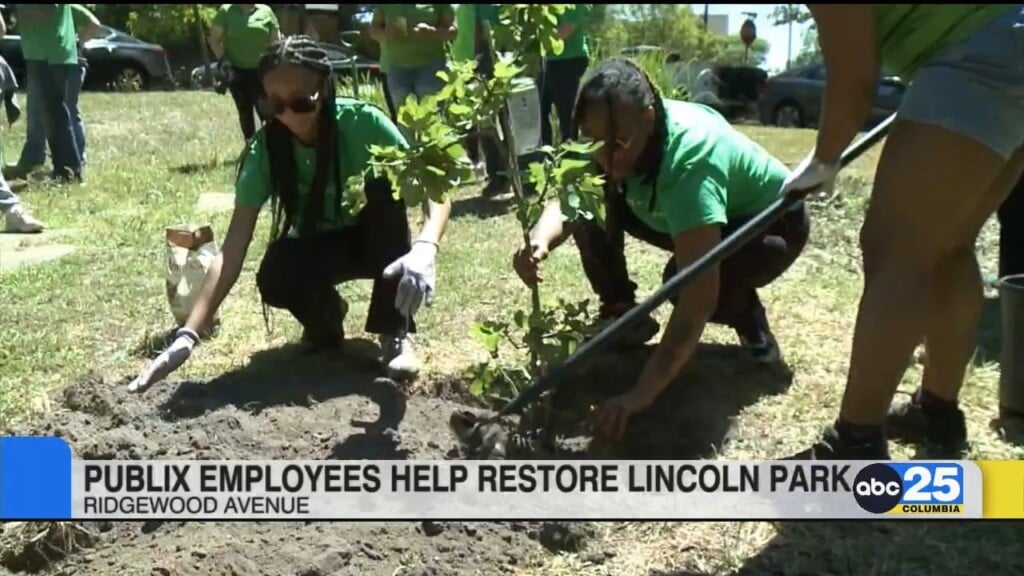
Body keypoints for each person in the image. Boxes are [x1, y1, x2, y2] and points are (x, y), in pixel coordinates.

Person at [128, 36, 453, 393]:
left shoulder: (364, 125)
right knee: (276, 274)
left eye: (300, 103)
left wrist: (426, 246)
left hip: (376, 242)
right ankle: (325, 321)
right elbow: (233, 249)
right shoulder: (264, 151)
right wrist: (188, 334)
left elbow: (435, 189)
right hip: (319, 245)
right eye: (274, 105)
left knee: (384, 195)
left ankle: (394, 333)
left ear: (324, 88)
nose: (287, 117)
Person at [512, 58, 811, 441]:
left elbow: (696, 304)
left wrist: (638, 396)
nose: (606, 157)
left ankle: (752, 326)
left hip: (767, 226)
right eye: (593, 142)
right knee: (592, 205)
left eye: (618, 145)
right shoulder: (613, 132)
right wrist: (540, 239)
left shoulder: (690, 161)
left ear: (649, 118)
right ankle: (623, 312)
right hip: (688, 214)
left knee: (682, 283)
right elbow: (574, 196)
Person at [786, 5, 1024, 459]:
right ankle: (936, 411)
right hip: (1008, 41)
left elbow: (855, 82)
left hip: (983, 55)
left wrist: (824, 158)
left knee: (896, 248)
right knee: (948, 242)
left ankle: (854, 446)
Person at [13, 3, 99, 178]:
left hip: (49, 54)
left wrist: (19, 15)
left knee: (56, 114)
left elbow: (47, 12)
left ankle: (69, 171)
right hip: (43, 54)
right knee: (49, 113)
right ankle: (58, 166)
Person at [368, 4, 455, 130]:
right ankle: (409, 149)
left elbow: (453, 32)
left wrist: (432, 32)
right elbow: (373, 30)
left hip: (431, 67)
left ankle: (433, 148)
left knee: (431, 118)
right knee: (403, 120)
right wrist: (388, 34)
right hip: (395, 67)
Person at [451, 3, 507, 196]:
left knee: (500, 122)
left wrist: (477, 62)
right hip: (472, 63)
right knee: (485, 123)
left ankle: (508, 174)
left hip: (492, 60)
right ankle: (497, 176)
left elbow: (482, 32)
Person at [209, 4, 282, 141]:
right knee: (245, 112)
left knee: (267, 112)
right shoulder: (226, 11)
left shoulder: (266, 11)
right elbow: (214, 41)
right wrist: (224, 61)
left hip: (262, 73)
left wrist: (275, 64)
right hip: (237, 72)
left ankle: (272, 146)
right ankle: (250, 147)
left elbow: (276, 42)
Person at [539, 4, 591, 146]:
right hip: (543, 61)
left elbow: (565, 31)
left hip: (569, 61)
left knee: (567, 116)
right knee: (539, 115)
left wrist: (534, 43)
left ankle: (570, 158)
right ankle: (544, 158)